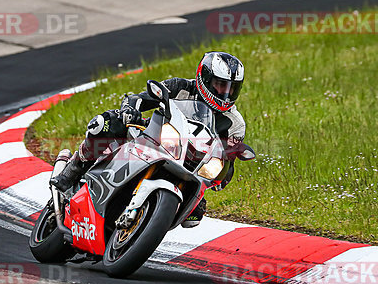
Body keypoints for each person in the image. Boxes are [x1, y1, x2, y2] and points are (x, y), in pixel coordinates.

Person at [50, 51, 247, 227]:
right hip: (155, 136)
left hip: (190, 164)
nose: (225, 93)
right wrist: (130, 111)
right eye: (220, 85)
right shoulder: (181, 87)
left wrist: (226, 165)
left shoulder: (235, 124)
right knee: (105, 124)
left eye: (232, 88)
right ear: (204, 77)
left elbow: (226, 159)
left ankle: (146, 222)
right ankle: (74, 168)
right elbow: (138, 99)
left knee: (194, 213)